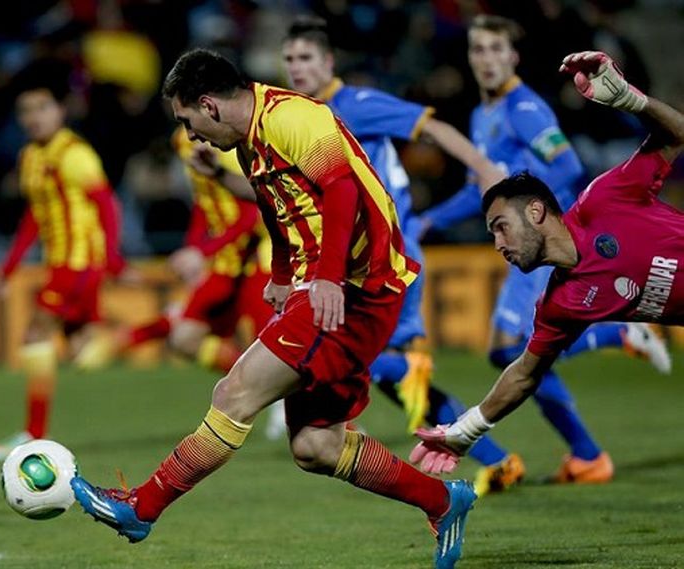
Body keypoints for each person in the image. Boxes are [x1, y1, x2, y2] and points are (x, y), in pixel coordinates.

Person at [71, 49, 476, 569]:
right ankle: (442, 501)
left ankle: (141, 507)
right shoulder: (251, 140)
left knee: (234, 393)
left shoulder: (292, 117)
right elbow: (277, 206)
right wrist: (283, 274)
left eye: (188, 121)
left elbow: (343, 189)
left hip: (356, 288)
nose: (191, 135)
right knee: (315, 446)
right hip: (328, 285)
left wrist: (326, 277)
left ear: (210, 105)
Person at [416, 16, 671, 484]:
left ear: (513, 57)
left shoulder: (525, 108)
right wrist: (429, 220)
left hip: (552, 240)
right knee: (515, 355)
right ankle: (588, 450)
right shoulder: (482, 116)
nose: (487, 59)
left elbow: (567, 167)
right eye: (478, 49)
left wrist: (526, 202)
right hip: (530, 237)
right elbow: (483, 190)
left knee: (511, 350)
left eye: (496, 49)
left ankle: (614, 344)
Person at [279, 15, 525, 496]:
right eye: (289, 59)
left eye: (305, 57)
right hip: (361, 262)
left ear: (328, 61)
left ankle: (398, 378)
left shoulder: (356, 105)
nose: (296, 68)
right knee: (400, 385)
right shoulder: (302, 118)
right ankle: (499, 460)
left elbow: (432, 127)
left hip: (392, 258)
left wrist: (483, 168)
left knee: (362, 363)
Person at [0, 60, 127, 461]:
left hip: (78, 265)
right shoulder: (29, 157)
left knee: (35, 335)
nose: (33, 117)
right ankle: (142, 333)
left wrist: (112, 258)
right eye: (26, 110)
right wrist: (9, 268)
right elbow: (34, 217)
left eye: (42, 108)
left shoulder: (75, 154)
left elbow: (107, 205)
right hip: (60, 263)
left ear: (60, 110)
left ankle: (33, 433)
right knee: (81, 350)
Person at [112, 126, 274, 373]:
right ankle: (246, 379)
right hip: (225, 262)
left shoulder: (231, 147)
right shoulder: (182, 140)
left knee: (266, 347)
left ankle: (255, 382)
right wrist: (193, 249)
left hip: (259, 259)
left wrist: (202, 252)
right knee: (186, 337)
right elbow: (203, 204)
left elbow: (252, 215)